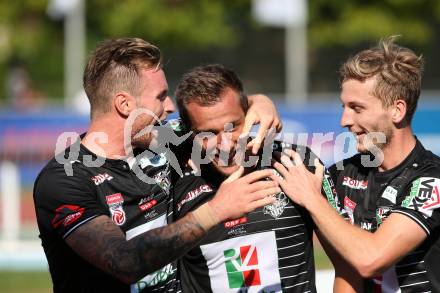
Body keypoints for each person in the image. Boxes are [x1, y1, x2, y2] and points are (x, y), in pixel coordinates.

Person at [33, 38, 283, 293]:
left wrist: (259, 101)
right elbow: (124, 261)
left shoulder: (163, 142)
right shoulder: (64, 180)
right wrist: (216, 210)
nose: (170, 107)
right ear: (125, 104)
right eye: (161, 97)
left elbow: (220, 111)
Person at [272, 36, 440, 292]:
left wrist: (312, 199)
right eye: (344, 106)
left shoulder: (431, 179)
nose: (344, 120)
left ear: (397, 110)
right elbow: (347, 271)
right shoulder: (341, 175)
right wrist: (258, 102)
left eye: (356, 108)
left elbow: (370, 260)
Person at [173, 64, 319, 292]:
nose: (225, 144)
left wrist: (258, 101)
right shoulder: (173, 182)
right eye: (208, 134)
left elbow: (348, 264)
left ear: (251, 116)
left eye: (233, 126)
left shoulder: (294, 162)